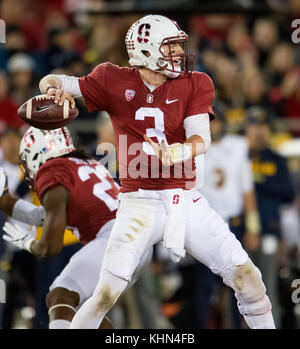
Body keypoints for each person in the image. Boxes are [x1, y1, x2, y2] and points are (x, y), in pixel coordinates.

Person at [39, 14, 275, 329]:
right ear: (147, 50)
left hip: (184, 199)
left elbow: (200, 138)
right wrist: (52, 90)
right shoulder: (113, 79)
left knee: (250, 280)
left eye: (178, 45)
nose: (179, 52)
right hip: (138, 201)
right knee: (105, 294)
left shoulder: (196, 82)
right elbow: (55, 80)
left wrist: (177, 152)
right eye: (171, 46)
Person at [1, 126, 152, 329]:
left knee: (59, 294)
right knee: (85, 313)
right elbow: (42, 216)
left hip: (115, 239)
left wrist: (26, 242)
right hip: (136, 240)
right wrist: (5, 200)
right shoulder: (85, 163)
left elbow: (50, 248)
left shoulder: (52, 171)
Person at [194, 100, 261, 328]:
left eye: (217, 120)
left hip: (234, 224)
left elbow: (247, 191)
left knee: (238, 286)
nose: (214, 126)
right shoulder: (194, 147)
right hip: (205, 226)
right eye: (209, 122)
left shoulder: (238, 145)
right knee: (203, 286)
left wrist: (252, 227)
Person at [245, 106, 295, 328]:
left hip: (269, 230)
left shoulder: (277, 159)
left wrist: (257, 183)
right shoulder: (239, 156)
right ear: (247, 129)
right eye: (255, 126)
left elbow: (288, 193)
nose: (259, 131)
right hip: (239, 232)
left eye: (263, 126)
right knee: (239, 290)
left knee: (267, 287)